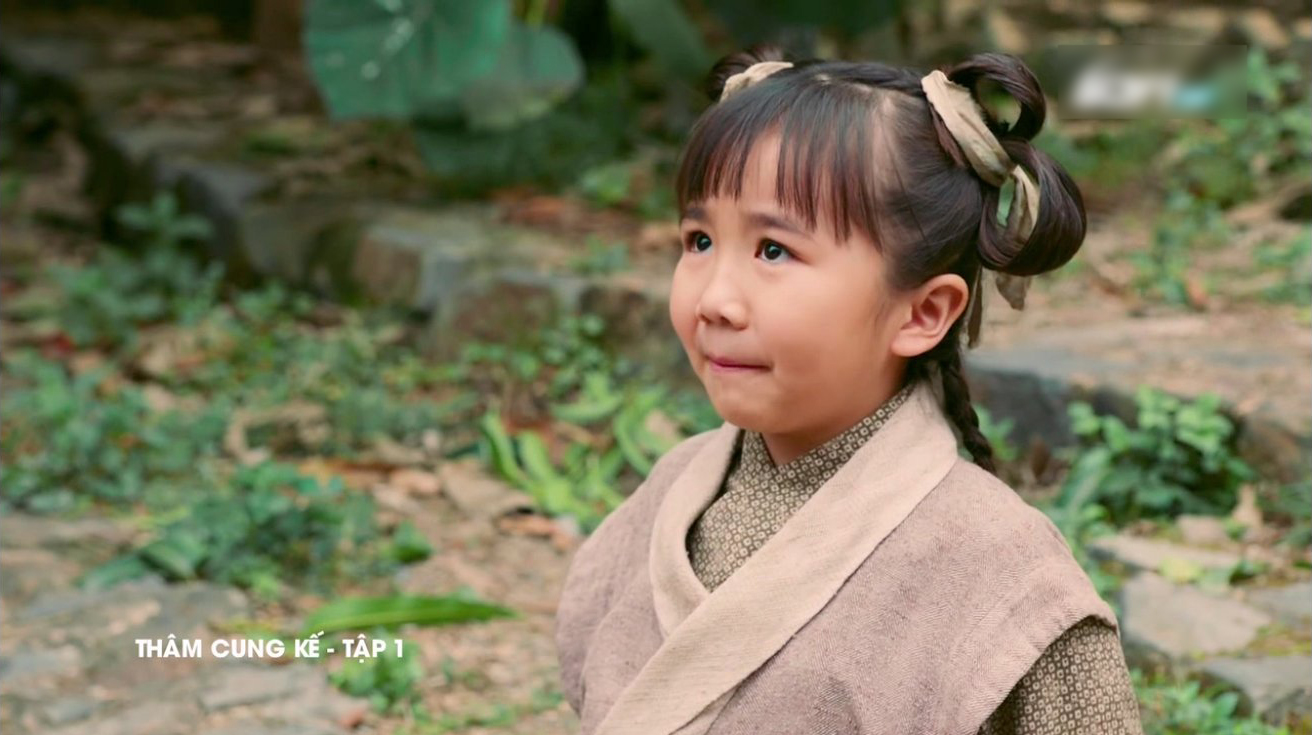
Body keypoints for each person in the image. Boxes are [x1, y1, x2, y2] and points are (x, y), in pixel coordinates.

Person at [554, 45, 1145, 735]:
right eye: (699, 240)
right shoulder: (673, 489)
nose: (714, 300)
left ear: (923, 313)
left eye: (774, 250)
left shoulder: (1002, 571)